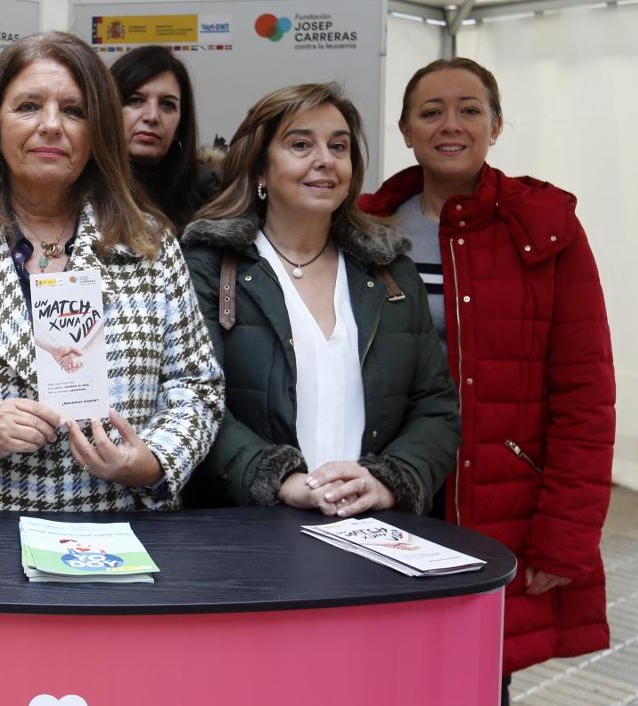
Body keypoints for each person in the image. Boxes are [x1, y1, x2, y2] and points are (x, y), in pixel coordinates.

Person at [359, 58, 615, 706]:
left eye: (470, 109)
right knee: (375, 681)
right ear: (406, 129)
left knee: (476, 689)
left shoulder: (545, 227)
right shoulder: (363, 228)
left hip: (497, 497)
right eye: (431, 111)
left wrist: (566, 534)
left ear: (496, 126)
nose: (451, 125)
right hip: (387, 490)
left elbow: (586, 391)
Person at [0, 32, 223, 512]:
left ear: (99, 131)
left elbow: (197, 387)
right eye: (27, 106)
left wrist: (152, 462)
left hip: (121, 528)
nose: (50, 126)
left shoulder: (149, 245)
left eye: (74, 111)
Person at [181, 83, 459, 518]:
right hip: (249, 534)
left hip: (372, 533)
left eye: (339, 146)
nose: (325, 160)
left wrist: (388, 480)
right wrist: (282, 482)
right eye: (300, 144)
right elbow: (193, 403)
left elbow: (436, 406)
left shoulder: (390, 271)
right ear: (259, 169)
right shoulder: (211, 269)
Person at [110, 45, 220, 230]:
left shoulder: (210, 199)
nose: (152, 116)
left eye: (167, 105)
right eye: (135, 100)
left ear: (181, 123)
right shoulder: (74, 192)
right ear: (107, 108)